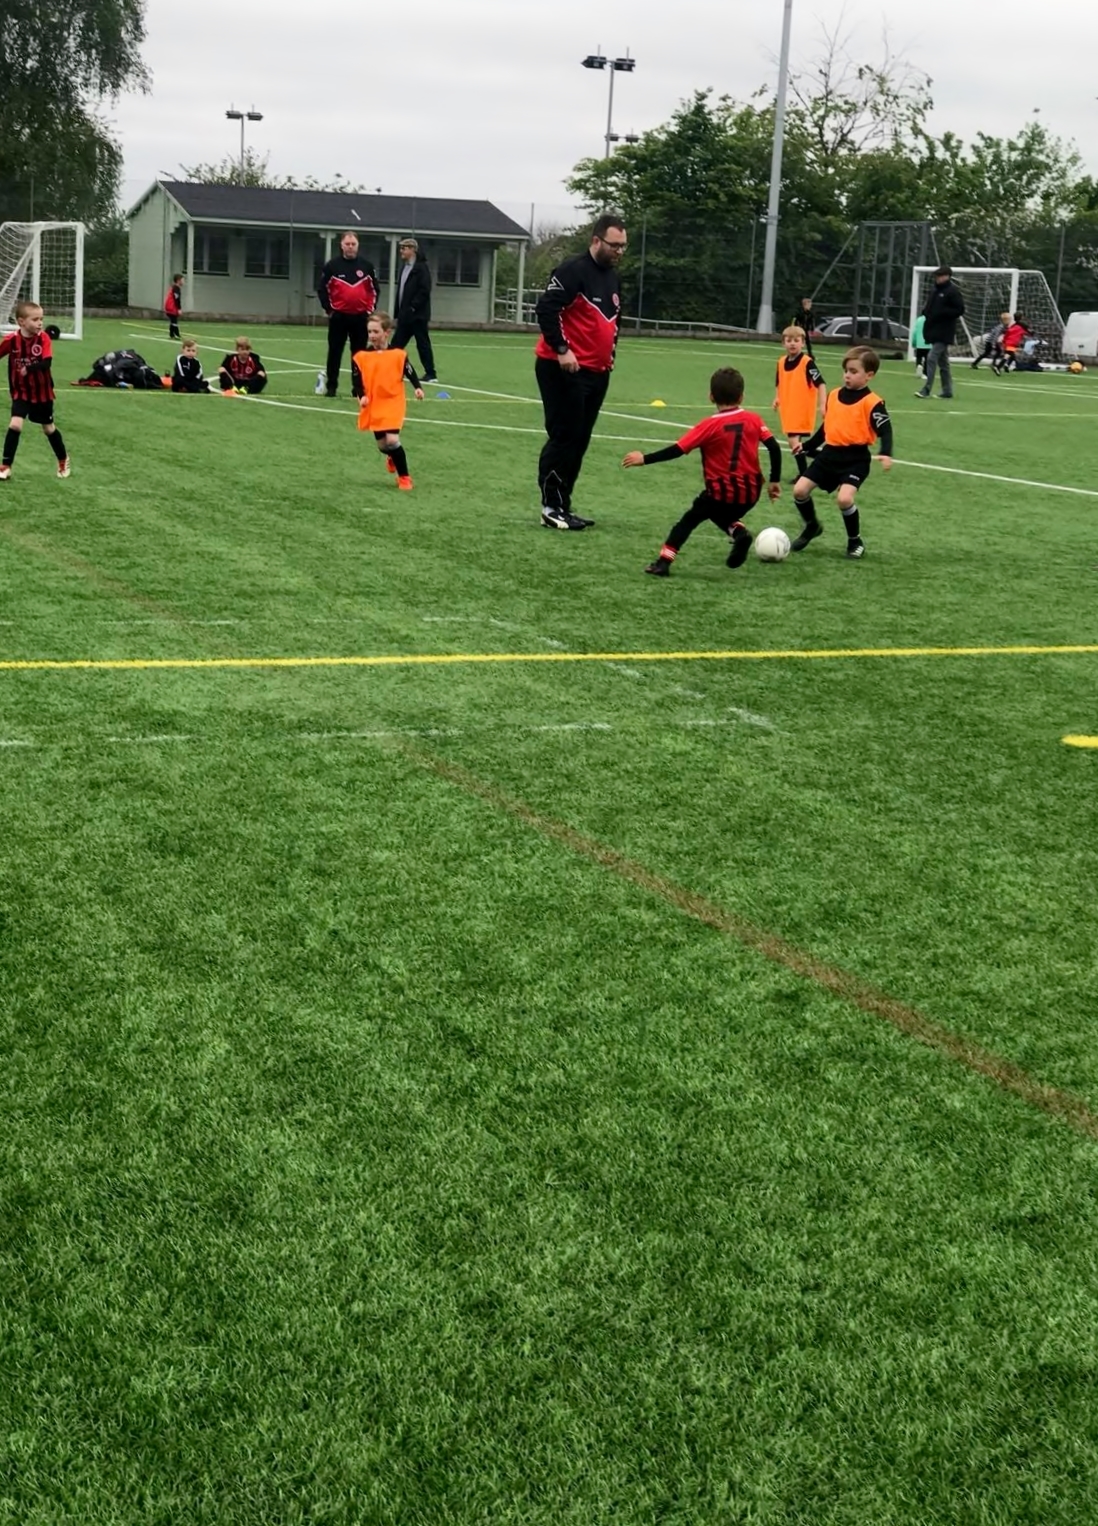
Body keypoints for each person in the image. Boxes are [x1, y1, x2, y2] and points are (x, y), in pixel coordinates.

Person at [623, 367, 781, 577]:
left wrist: (644, 459)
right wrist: (774, 481)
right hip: (751, 491)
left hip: (721, 491)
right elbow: (774, 448)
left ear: (711, 397)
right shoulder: (754, 419)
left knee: (689, 520)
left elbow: (678, 450)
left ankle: (663, 562)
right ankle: (739, 533)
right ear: (741, 397)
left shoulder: (709, 425)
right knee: (720, 513)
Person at [534, 212, 626, 531]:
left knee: (581, 439)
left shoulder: (613, 278)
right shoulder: (572, 270)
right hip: (563, 368)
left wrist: (609, 356)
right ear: (596, 240)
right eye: (614, 245)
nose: (619, 251)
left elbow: (613, 323)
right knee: (565, 435)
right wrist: (562, 349)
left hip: (597, 372)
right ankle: (550, 505)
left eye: (623, 246)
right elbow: (547, 308)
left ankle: (563, 503)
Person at [789, 346, 892, 560]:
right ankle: (812, 526)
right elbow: (826, 428)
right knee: (799, 491)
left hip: (855, 459)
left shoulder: (873, 402)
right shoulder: (834, 395)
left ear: (869, 375)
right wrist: (807, 445)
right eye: (846, 370)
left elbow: (886, 429)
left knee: (844, 499)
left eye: (853, 371)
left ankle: (855, 541)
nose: (847, 375)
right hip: (829, 456)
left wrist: (885, 452)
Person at [353, 311, 424, 491]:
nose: (372, 335)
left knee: (392, 440)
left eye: (376, 332)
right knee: (383, 446)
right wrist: (362, 396)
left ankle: (404, 478)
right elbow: (356, 379)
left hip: (393, 401)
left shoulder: (398, 354)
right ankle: (391, 455)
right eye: (369, 332)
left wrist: (417, 387)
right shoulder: (361, 356)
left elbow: (409, 370)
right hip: (374, 403)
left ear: (387, 332)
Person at [0, 301, 70, 480]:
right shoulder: (12, 340)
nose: (40, 323)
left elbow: (47, 363)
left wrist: (28, 369)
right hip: (21, 391)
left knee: (48, 429)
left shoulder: (43, 338)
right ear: (21, 322)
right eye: (35, 319)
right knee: (15, 424)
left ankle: (63, 458)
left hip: (42, 392)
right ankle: (6, 466)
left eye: (41, 319)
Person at [317, 231, 379, 398]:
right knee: (335, 352)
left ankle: (357, 388)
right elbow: (322, 289)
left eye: (353, 244)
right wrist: (330, 310)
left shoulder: (367, 266)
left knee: (359, 355)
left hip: (360, 318)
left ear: (358, 246)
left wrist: (369, 311)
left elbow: (374, 290)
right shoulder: (332, 266)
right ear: (342, 245)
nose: (350, 247)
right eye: (347, 244)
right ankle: (331, 387)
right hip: (339, 317)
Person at [773, 325, 826, 456]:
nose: (792, 344)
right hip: (788, 409)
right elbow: (779, 382)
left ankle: (815, 465)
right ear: (783, 343)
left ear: (802, 343)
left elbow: (821, 383)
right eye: (789, 340)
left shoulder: (807, 362)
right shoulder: (781, 362)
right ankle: (825, 459)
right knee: (796, 445)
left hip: (801, 410)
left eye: (796, 341)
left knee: (794, 442)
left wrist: (822, 404)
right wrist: (777, 397)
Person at [916, 265, 965, 399]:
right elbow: (929, 307)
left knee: (931, 357)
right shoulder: (935, 291)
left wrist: (942, 313)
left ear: (947, 276)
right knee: (943, 363)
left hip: (945, 332)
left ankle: (926, 389)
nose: (937, 278)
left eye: (940, 276)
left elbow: (960, 309)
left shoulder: (952, 291)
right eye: (936, 276)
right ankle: (947, 391)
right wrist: (926, 313)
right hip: (933, 330)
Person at [391, 238, 436, 383]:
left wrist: (413, 306)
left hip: (417, 316)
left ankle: (431, 373)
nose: (401, 251)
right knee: (396, 344)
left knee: (422, 343)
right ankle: (395, 370)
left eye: (404, 248)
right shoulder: (404, 268)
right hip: (405, 315)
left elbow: (424, 290)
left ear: (413, 250)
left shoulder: (421, 268)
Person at [164, 273, 183, 341]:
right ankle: (177, 334)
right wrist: (179, 309)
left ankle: (172, 334)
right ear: (178, 280)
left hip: (169, 306)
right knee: (174, 321)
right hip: (172, 307)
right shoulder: (176, 288)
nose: (183, 282)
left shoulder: (173, 287)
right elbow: (176, 299)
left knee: (172, 321)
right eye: (182, 280)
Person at [911, 312, 928, 376]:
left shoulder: (918, 320)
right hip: (928, 344)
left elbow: (915, 332)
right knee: (927, 359)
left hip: (919, 344)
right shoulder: (931, 319)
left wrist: (914, 343)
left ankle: (919, 367)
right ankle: (925, 373)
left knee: (919, 357)